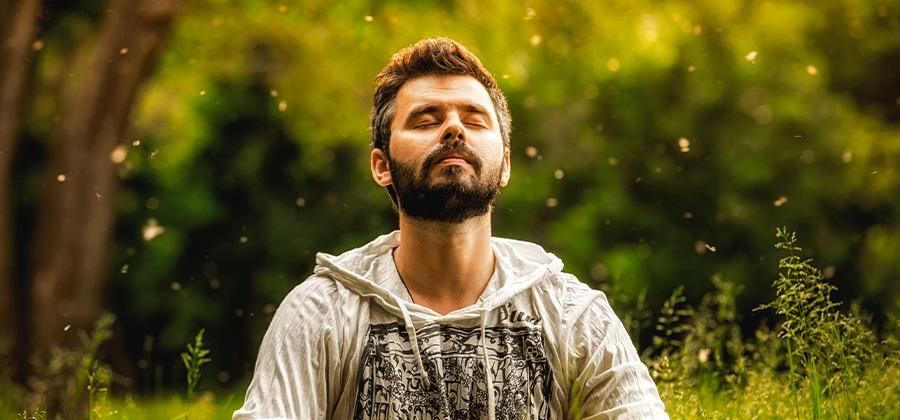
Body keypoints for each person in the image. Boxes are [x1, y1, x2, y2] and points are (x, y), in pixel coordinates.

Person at [233, 37, 667, 419]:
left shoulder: (573, 314)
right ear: (381, 166)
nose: (454, 128)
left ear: (505, 166)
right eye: (426, 119)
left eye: (475, 119)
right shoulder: (321, 313)